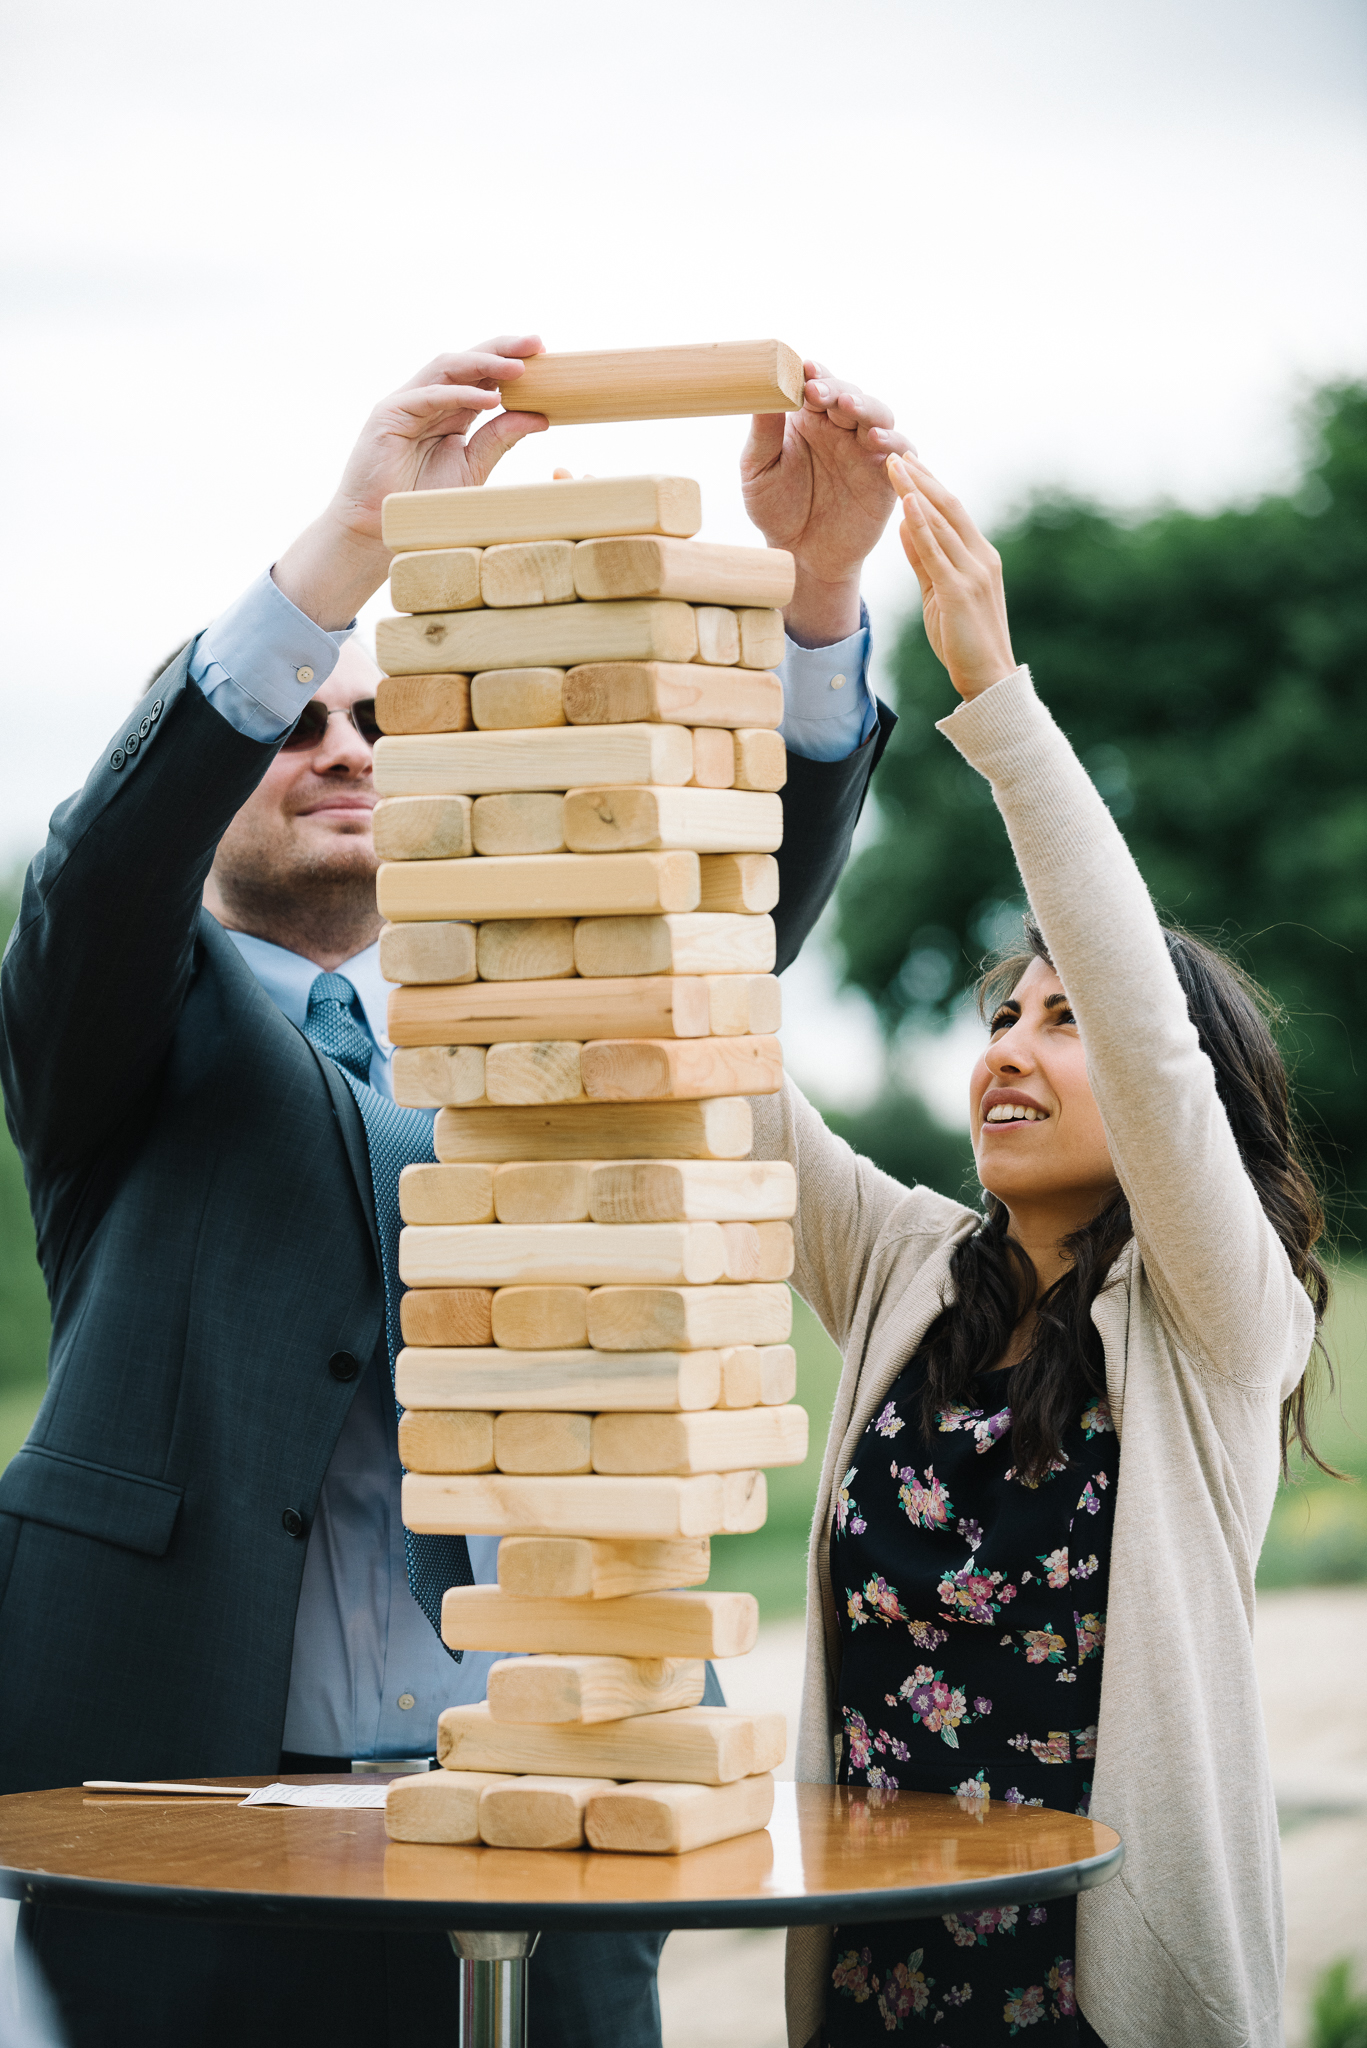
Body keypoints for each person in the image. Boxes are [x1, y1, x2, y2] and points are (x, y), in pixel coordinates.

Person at [0, 336, 913, 2048]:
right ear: (218, 774)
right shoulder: (121, 1019)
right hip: (196, 1808)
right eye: (300, 721)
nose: (345, 749)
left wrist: (819, 591)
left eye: (386, 718)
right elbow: (100, 864)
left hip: (556, 1809)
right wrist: (352, 546)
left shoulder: (537, 1004)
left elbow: (720, 912)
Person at [765, 453, 1326, 2048]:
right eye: (1004, 1014)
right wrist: (811, 624)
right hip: (873, 1999)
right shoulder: (900, 1268)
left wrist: (998, 699)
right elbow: (711, 1041)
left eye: (1064, 1016)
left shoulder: (1220, 1319)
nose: (1015, 1045)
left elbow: (1155, 1045)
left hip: (1098, 2016)